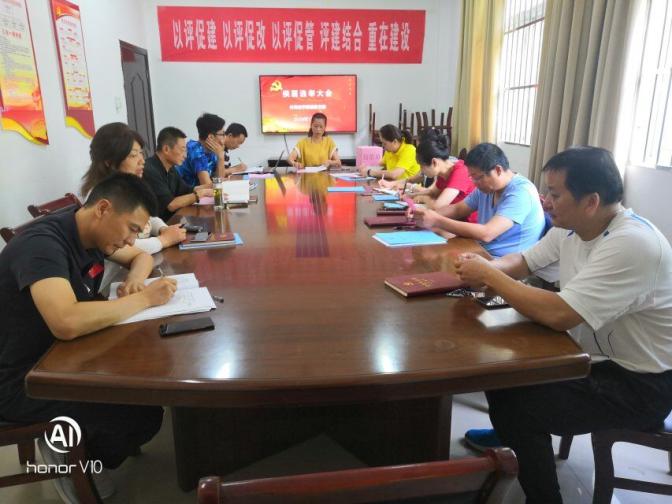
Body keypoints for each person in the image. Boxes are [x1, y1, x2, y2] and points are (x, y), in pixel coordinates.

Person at [454, 146, 672, 503]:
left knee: (517, 406)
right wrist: (483, 269)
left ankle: (541, 490)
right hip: (594, 359)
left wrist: (490, 277)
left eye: (555, 194)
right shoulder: (572, 228)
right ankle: (514, 436)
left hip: (640, 384)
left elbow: (561, 314)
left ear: (591, 201)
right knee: (500, 370)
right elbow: (524, 261)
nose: (546, 201)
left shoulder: (632, 244)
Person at [0, 173, 178, 502]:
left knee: (147, 407)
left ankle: (80, 448)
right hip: (23, 379)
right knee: (139, 415)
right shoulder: (42, 246)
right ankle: (68, 451)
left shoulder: (89, 233)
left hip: (63, 356)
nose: (131, 240)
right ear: (103, 209)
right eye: (132, 229)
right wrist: (143, 299)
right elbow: (65, 321)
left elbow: (140, 257)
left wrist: (136, 281)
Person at [413, 143, 545, 257]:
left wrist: (437, 220)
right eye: (471, 177)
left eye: (478, 177)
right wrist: (426, 215)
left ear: (498, 170)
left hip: (506, 261)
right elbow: (458, 209)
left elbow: (487, 233)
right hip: (481, 250)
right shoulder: (486, 188)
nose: (474, 183)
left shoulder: (520, 192)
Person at [81, 122, 186, 254]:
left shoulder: (129, 186)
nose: (142, 161)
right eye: (133, 155)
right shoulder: (100, 196)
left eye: (141, 153)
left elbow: (147, 217)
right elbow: (123, 246)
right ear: (110, 161)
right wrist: (164, 240)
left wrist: (163, 229)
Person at [143, 126, 213, 221]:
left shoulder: (170, 167)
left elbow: (187, 190)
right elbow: (171, 205)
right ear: (166, 149)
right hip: (159, 226)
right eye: (182, 150)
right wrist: (200, 194)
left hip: (173, 220)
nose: (185, 155)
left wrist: (212, 186)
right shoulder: (150, 170)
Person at [176, 113, 244, 186]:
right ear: (211, 137)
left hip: (202, 192)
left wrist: (220, 157)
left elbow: (218, 180)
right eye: (222, 134)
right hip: (185, 193)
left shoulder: (212, 151)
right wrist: (221, 157)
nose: (224, 138)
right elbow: (208, 185)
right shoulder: (195, 150)